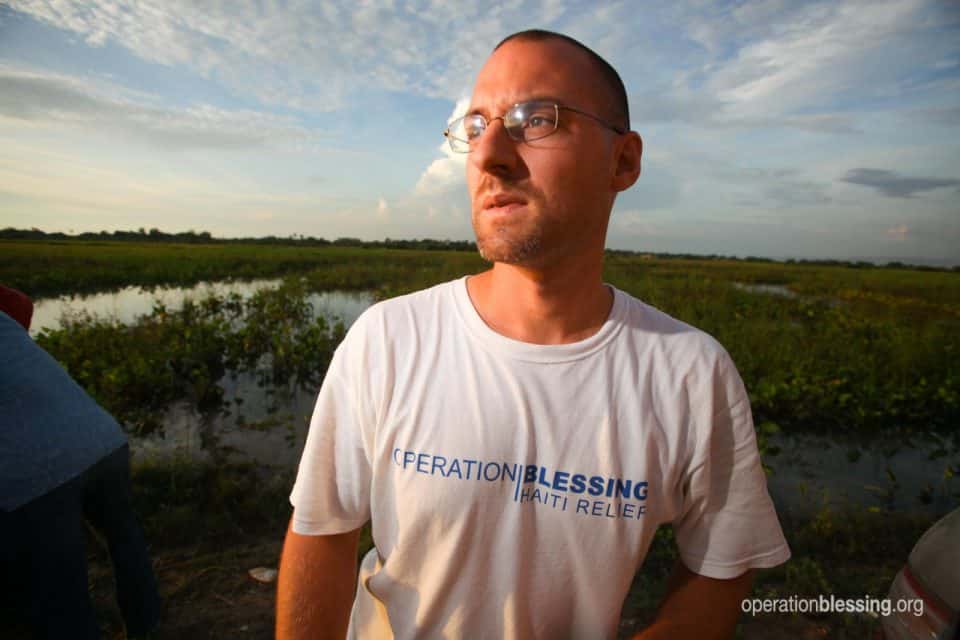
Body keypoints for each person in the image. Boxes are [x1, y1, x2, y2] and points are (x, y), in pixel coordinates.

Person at [277, 29, 790, 640]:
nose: (489, 152)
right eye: (475, 125)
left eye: (534, 119)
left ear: (623, 162)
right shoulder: (388, 339)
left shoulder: (689, 372)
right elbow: (321, 534)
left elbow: (720, 567)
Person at [0, 286, 160, 640]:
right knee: (125, 539)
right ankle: (147, 625)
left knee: (58, 589)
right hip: (102, 438)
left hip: (34, 473)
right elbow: (20, 303)